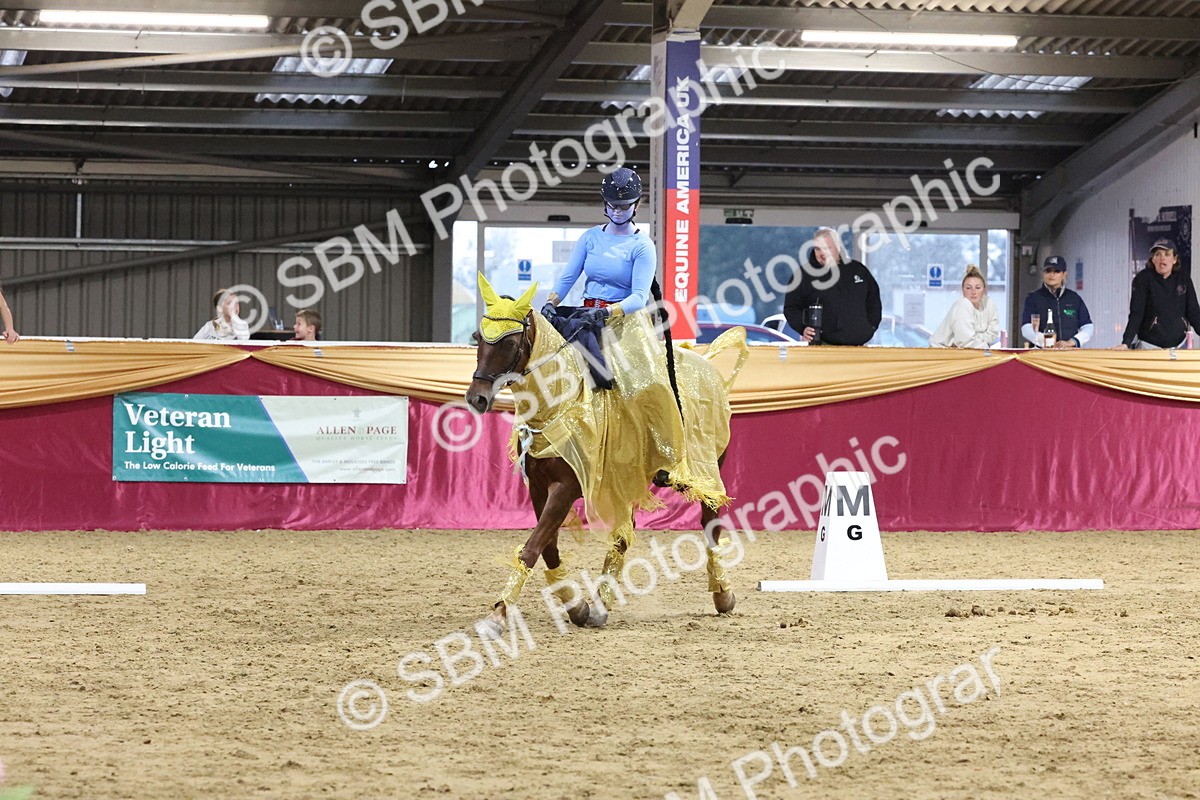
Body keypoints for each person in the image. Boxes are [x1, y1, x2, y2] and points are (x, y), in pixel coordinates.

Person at [783, 227, 881, 345]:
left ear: (838, 247)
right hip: (821, 346)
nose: (822, 253)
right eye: (818, 249)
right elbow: (791, 308)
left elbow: (874, 301)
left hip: (858, 345)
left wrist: (870, 328)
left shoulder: (858, 270)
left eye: (827, 248)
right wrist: (802, 327)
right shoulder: (802, 276)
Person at [1113, 239, 1200, 350]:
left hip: (1179, 347)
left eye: (1167, 254)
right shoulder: (1142, 279)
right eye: (1157, 254)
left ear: (1174, 259)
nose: (1162, 258)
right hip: (1148, 346)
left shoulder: (1184, 279)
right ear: (1153, 259)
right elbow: (1136, 313)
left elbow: (1193, 312)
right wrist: (1126, 342)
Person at [1020, 256, 1094, 348]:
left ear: (1064, 274)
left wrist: (1072, 342)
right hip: (1042, 355)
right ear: (1043, 274)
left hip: (1070, 354)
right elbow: (1026, 328)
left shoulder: (1074, 298)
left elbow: (1088, 327)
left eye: (1056, 271)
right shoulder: (1033, 298)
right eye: (1048, 271)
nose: (1052, 274)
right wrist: (1045, 341)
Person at [929, 265, 1000, 349]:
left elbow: (993, 333)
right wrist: (984, 345)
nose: (973, 292)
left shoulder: (989, 303)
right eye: (968, 288)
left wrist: (977, 339)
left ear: (984, 290)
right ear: (962, 290)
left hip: (965, 352)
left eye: (977, 288)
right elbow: (965, 341)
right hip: (941, 353)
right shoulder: (961, 305)